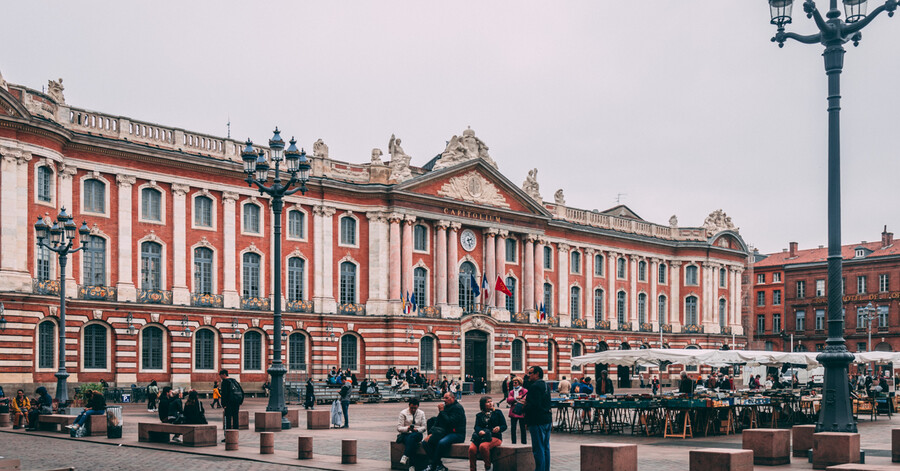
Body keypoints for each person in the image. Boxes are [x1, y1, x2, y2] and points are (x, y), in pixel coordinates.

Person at [422, 392, 466, 471]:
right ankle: (438, 464)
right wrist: (431, 434)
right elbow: (438, 422)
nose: (444, 400)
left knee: (441, 443)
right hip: (446, 432)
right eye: (444, 398)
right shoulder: (446, 407)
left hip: (457, 434)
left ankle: (433, 465)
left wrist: (442, 411)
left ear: (453, 398)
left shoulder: (458, 408)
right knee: (425, 442)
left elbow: (450, 423)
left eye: (446, 398)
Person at [524, 366, 552, 471]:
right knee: (545, 448)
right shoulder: (545, 385)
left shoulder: (534, 387)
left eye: (530, 373)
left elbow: (534, 405)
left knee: (538, 448)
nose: (528, 375)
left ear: (537, 374)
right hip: (547, 419)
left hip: (537, 421)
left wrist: (524, 406)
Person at [469, 396, 507, 471]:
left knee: (483, 446)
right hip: (481, 437)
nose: (491, 403)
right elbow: (476, 426)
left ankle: (488, 466)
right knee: (471, 449)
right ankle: (472, 469)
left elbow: (504, 426)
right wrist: (479, 431)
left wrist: (499, 428)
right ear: (483, 404)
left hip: (495, 437)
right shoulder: (479, 415)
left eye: (491, 401)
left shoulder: (498, 413)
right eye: (488, 402)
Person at [397, 398, 427, 469]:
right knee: (412, 442)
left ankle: (405, 455)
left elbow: (424, 427)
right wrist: (407, 428)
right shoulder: (403, 413)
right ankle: (412, 466)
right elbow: (399, 428)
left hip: (417, 433)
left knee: (412, 438)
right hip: (406, 434)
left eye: (415, 408)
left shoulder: (421, 413)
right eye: (411, 408)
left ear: (418, 407)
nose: (413, 410)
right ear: (409, 406)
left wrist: (417, 430)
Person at [219, 369, 243, 441]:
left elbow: (224, 394)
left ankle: (228, 437)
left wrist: (224, 404)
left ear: (223, 374)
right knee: (235, 419)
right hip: (236, 403)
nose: (220, 377)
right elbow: (242, 391)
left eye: (220, 375)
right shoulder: (234, 381)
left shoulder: (225, 382)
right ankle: (235, 436)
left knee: (228, 420)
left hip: (229, 404)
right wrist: (240, 402)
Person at [507, 377, 527, 445]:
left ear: (520, 383)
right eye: (513, 382)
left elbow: (525, 400)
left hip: (521, 411)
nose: (514, 384)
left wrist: (513, 399)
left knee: (523, 428)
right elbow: (508, 400)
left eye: (516, 382)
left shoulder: (524, 391)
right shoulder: (511, 391)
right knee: (513, 428)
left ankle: (524, 442)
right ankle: (513, 442)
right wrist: (516, 398)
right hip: (513, 411)